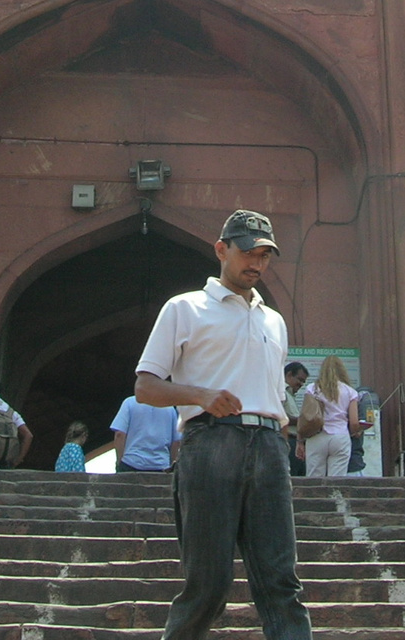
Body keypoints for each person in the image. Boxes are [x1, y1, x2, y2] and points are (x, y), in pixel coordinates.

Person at [135, 208, 311, 640]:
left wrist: (283, 440)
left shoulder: (273, 319)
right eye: (248, 253)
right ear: (221, 249)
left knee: (281, 585)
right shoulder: (186, 308)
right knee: (208, 586)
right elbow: (146, 387)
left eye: (265, 256)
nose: (257, 264)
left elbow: (273, 394)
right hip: (212, 444)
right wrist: (201, 396)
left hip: (270, 448)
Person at [302, 355, 361, 478]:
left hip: (316, 436)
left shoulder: (312, 389)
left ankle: (314, 497)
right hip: (340, 437)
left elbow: (305, 417)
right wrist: (356, 431)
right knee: (336, 480)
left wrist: (299, 440)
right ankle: (334, 498)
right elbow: (354, 422)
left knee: (314, 478)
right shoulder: (350, 392)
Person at [111, 394, 180, 473]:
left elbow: (119, 434)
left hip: (131, 463)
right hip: (160, 466)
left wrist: (120, 462)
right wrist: (170, 466)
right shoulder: (170, 409)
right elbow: (176, 442)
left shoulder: (129, 403)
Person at [281, 362, 309, 477]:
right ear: (289, 375)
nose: (301, 384)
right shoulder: (281, 392)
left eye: (303, 382)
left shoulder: (291, 394)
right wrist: (303, 420)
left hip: (297, 442)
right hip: (288, 440)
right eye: (300, 380)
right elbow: (280, 417)